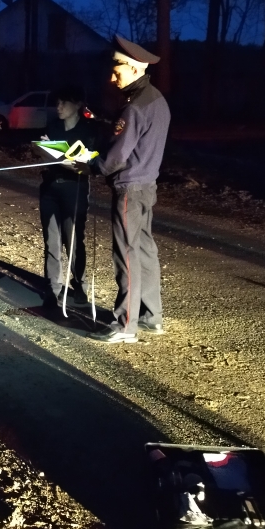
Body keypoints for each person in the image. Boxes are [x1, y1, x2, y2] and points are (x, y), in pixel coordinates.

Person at [89, 34, 171, 343]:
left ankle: (125, 325)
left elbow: (114, 159)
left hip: (129, 190)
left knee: (127, 254)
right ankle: (152, 317)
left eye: (117, 70)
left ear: (135, 68)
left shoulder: (134, 108)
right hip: (147, 186)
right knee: (146, 251)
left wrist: (89, 163)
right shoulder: (156, 100)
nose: (112, 77)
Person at [38, 86, 100, 309]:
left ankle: (80, 286)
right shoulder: (53, 126)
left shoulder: (88, 130)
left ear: (78, 105)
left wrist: (71, 162)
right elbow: (43, 153)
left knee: (73, 239)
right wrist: (44, 148)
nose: (59, 107)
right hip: (50, 188)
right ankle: (52, 288)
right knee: (51, 241)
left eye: (64, 103)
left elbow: (90, 163)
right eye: (58, 103)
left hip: (74, 188)